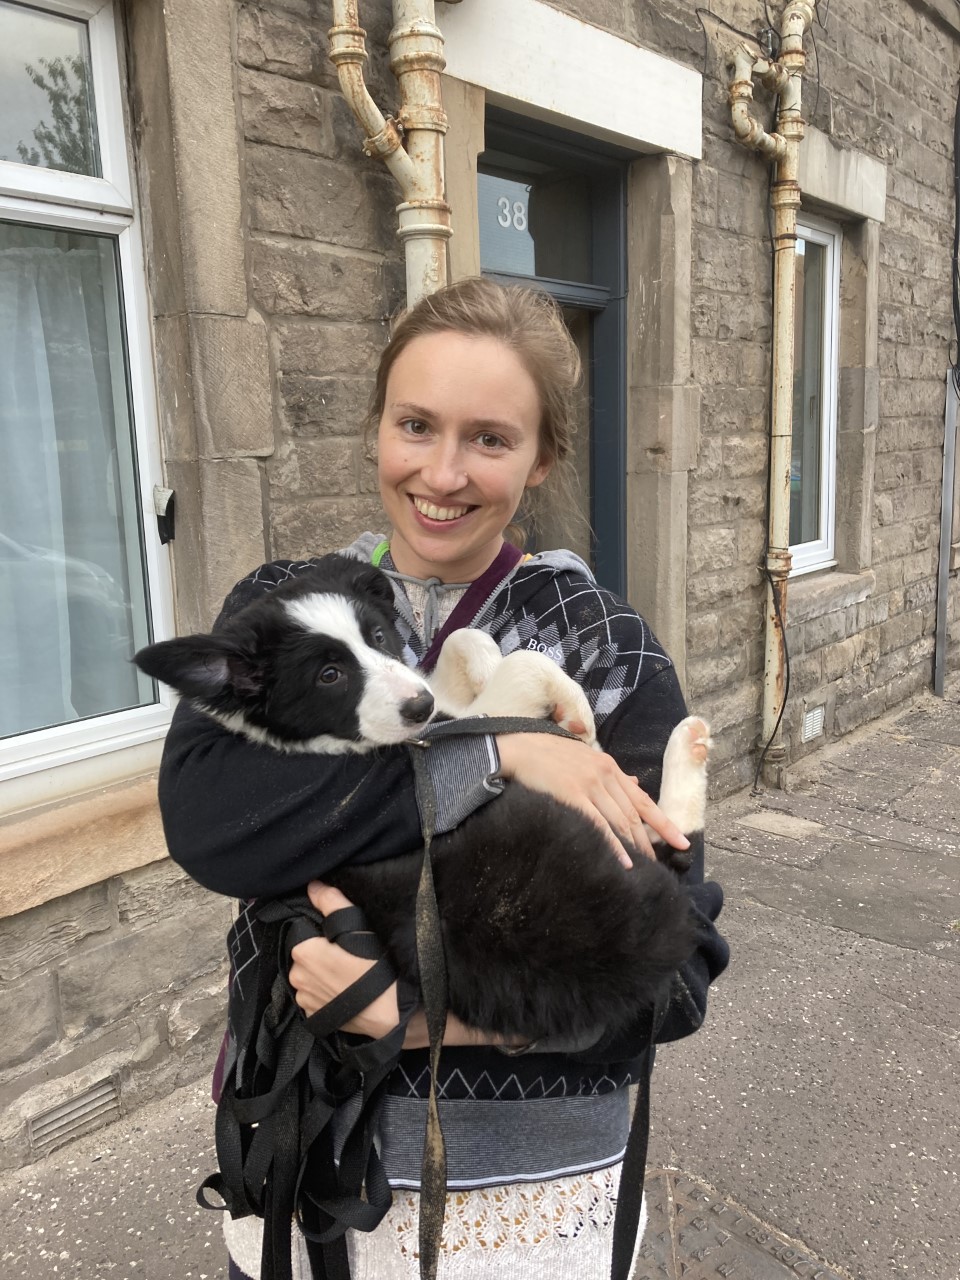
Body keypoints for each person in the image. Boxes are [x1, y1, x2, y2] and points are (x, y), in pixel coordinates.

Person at [158, 277, 729, 1280]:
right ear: (377, 425)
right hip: (306, 1163)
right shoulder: (284, 608)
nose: (443, 471)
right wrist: (494, 751)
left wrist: (413, 1017)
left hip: (531, 1209)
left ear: (542, 455)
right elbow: (212, 827)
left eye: (490, 438)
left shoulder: (603, 648)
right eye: (415, 424)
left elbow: (670, 984)